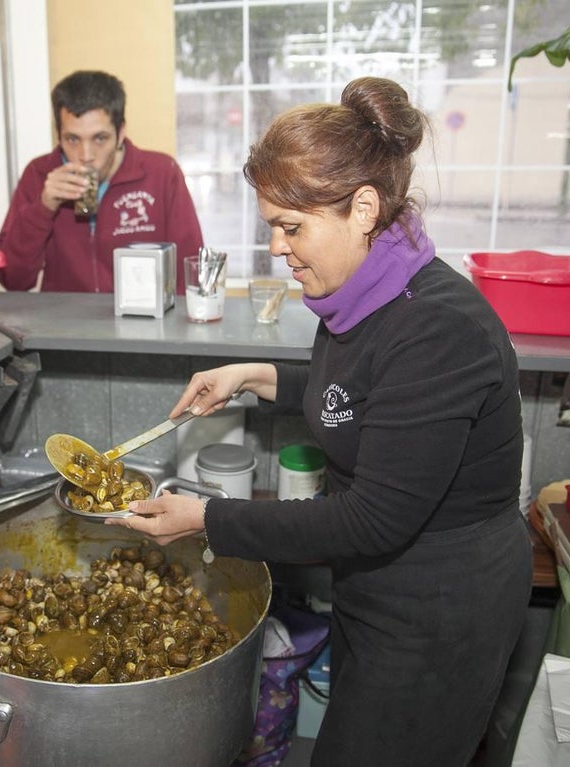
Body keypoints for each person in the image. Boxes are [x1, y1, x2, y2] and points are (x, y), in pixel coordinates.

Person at [106, 77, 532, 767]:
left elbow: (372, 519)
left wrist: (207, 520)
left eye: (291, 226)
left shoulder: (437, 328)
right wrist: (254, 377)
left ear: (363, 208)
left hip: (443, 606)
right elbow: (363, 396)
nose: (278, 247)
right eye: (272, 224)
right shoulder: (362, 292)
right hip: (377, 586)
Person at [0, 70, 204, 292]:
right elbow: (13, 280)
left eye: (100, 138)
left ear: (120, 133)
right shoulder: (39, 173)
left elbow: (192, 274)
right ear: (58, 135)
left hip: (145, 320)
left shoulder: (161, 173)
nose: (86, 155)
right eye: (72, 139)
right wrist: (43, 209)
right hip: (62, 323)